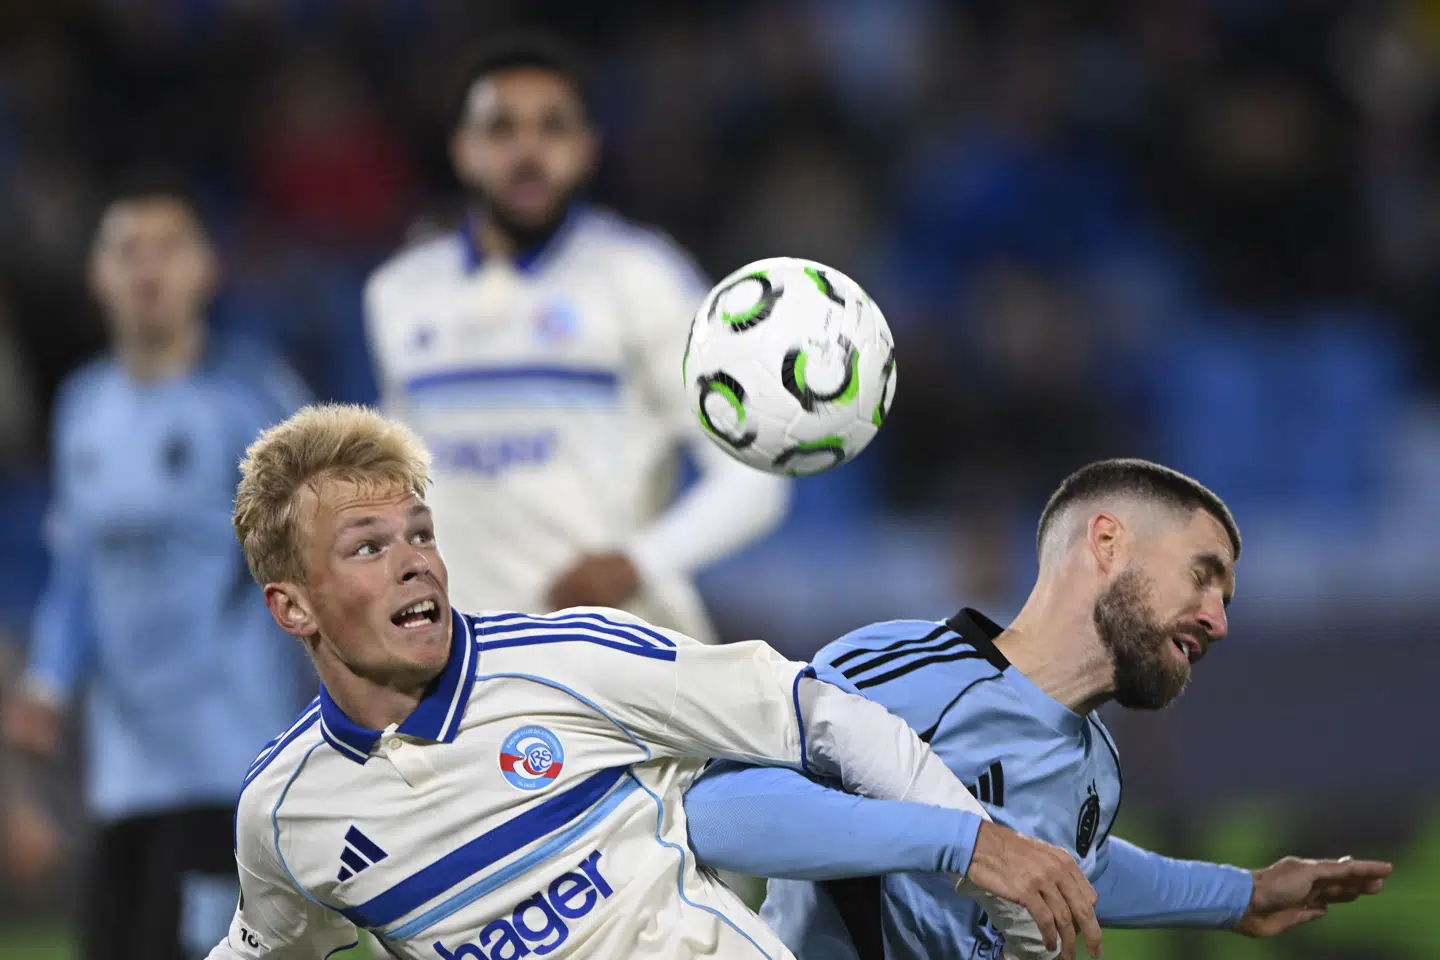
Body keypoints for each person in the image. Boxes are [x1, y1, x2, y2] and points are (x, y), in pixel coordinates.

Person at [208, 403, 1103, 960]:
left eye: (421, 533)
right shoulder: (288, 813)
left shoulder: (570, 662)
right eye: (370, 546)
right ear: (293, 609)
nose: (416, 565)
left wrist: (971, 840)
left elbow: (817, 716)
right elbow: (264, 949)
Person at [684, 458, 1392, 959]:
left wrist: (1243, 896)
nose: (1218, 620)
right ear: (1109, 544)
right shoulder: (910, 674)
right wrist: (967, 844)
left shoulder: (1097, 768)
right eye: (1202, 577)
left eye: (1226, 601)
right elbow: (717, 815)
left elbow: (1077, 870)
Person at [364, 35, 788, 642]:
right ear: (463, 150)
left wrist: (633, 566)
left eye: (552, 128)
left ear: (587, 149)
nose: (528, 151)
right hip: (463, 668)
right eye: (502, 128)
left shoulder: (643, 278)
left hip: (617, 660)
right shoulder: (398, 294)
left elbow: (755, 482)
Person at [1, 180, 313, 960]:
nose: (148, 270)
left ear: (206, 270)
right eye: (127, 251)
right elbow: (77, 568)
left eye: (168, 249)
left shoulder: (253, 400)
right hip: (123, 765)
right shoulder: (82, 406)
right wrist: (46, 683)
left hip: (229, 757)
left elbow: (321, 549)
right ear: (97, 276)